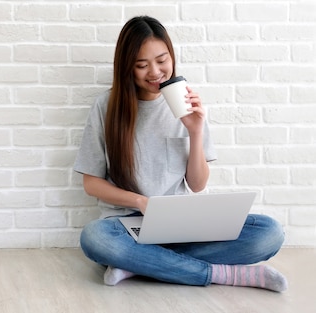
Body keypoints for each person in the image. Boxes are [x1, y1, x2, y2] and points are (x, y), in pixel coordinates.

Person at [74, 16, 288, 292]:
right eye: (142, 65)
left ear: (172, 57)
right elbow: (91, 184)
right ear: (127, 67)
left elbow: (197, 185)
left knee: (268, 232)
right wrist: (141, 202)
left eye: (162, 60)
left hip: (181, 224)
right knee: (95, 238)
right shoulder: (106, 106)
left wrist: (196, 131)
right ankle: (221, 274)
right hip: (125, 226)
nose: (155, 72)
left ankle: (138, 265)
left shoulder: (186, 104)